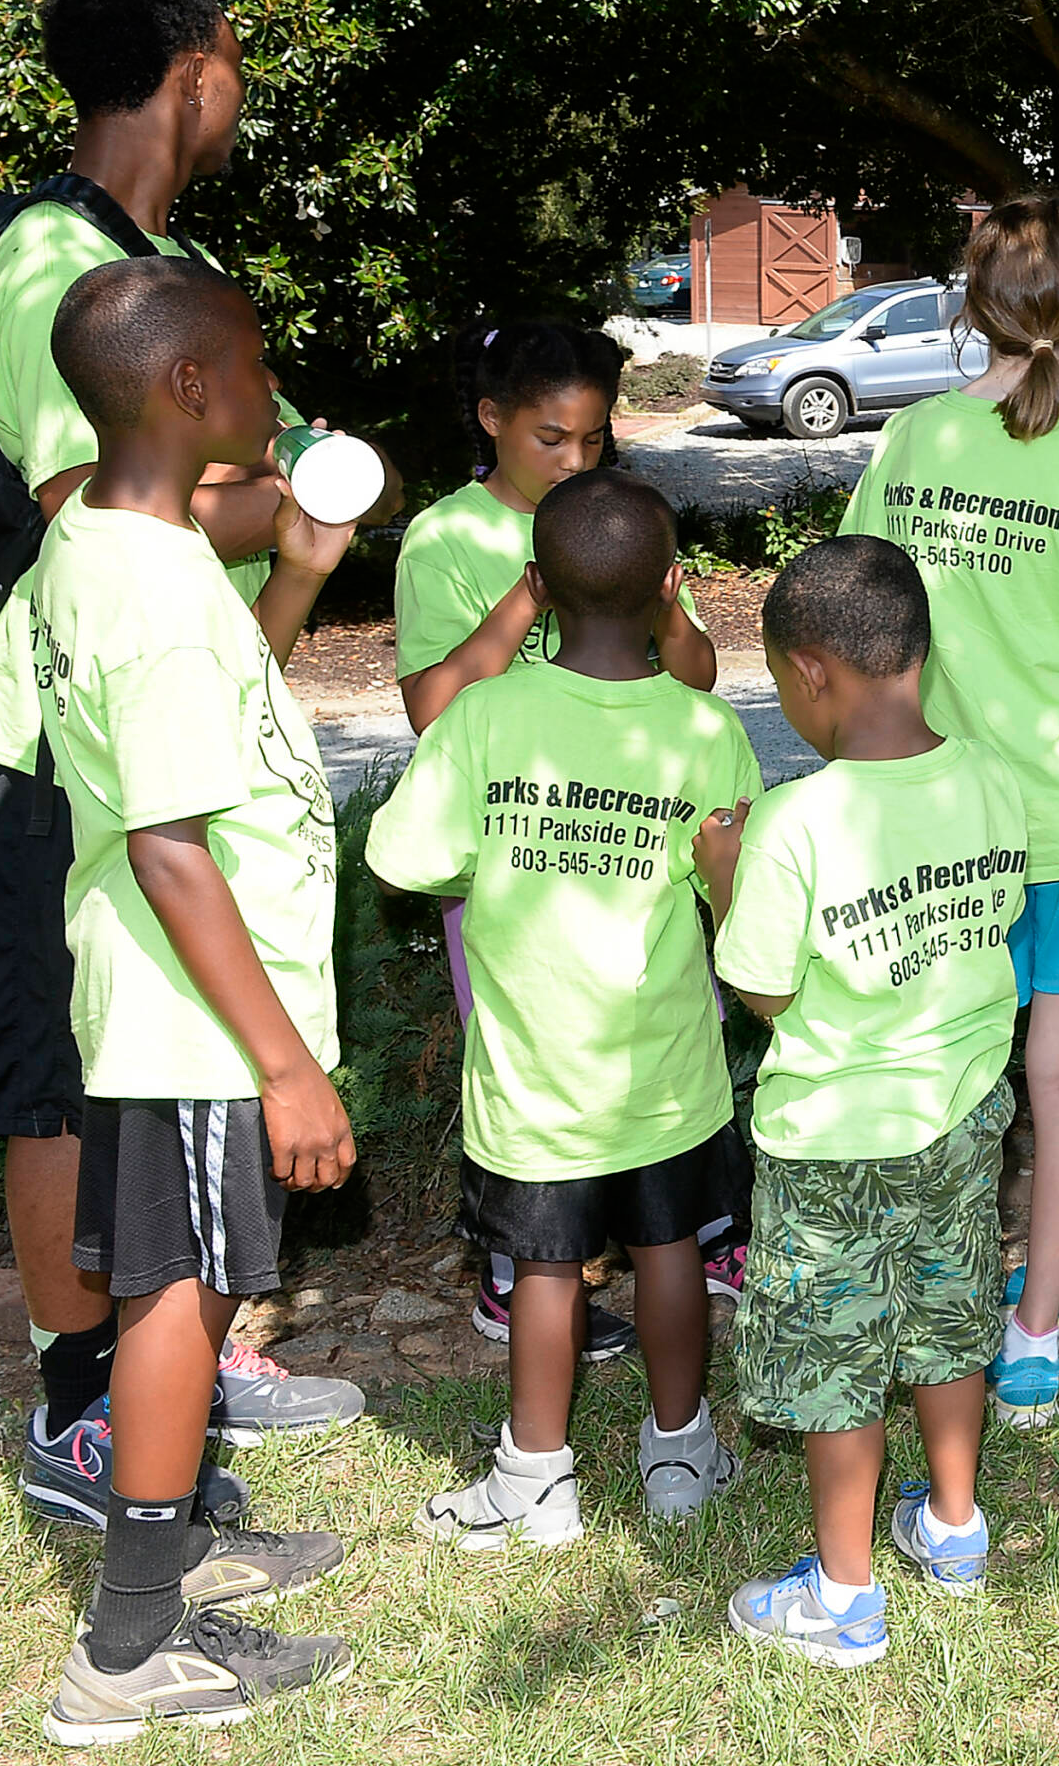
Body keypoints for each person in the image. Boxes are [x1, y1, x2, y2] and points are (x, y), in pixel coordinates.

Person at [0, 0, 376, 1539]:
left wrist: (283, 523)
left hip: (141, 730)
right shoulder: (53, 262)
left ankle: (166, 1352)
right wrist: (287, 499)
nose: (244, 91)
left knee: (131, 1087)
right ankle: (89, 1403)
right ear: (195, 61)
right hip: (76, 750)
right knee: (73, 1072)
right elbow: (114, 519)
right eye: (241, 58)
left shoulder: (150, 253)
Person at [32, 258, 360, 1743]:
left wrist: (290, 575)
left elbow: (202, 750)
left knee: (202, 1277)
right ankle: (127, 1647)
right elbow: (168, 846)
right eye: (250, 367)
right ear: (186, 389)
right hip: (198, 1015)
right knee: (185, 1291)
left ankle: (169, 1554)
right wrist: (287, 1065)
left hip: (185, 1004)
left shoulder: (109, 546)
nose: (270, 394)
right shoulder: (155, 591)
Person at [838, 192, 1059, 1426]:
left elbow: (863, 615)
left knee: (981, 1068)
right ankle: (1030, 1332)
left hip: (951, 822)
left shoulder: (919, 437)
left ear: (970, 305)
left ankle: (1056, 1277)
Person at [366, 470, 755, 1546]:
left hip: (531, 1073)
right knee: (670, 1249)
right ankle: (681, 1455)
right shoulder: (702, 728)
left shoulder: (485, 718)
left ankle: (533, 1481)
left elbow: (401, 858)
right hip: (667, 1065)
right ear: (672, 589)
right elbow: (736, 885)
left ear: (533, 585)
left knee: (546, 1269)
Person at [700, 536, 1030, 1665]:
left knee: (839, 1360)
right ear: (918, 656)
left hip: (832, 1141)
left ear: (808, 673)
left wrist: (721, 879)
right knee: (947, 1321)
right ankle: (952, 1527)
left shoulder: (797, 822)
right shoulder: (991, 776)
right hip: (964, 1114)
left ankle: (843, 1599)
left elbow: (765, 986)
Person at [392, 321, 721, 1352]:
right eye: (551, 440)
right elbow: (432, 710)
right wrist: (528, 594)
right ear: (491, 423)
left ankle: (669, 1224)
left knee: (648, 1030)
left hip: (633, 854)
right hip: (509, 863)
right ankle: (517, 1267)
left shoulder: (622, 521)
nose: (576, 462)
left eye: (593, 440)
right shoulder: (446, 539)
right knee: (526, 1062)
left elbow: (698, 676)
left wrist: (660, 603)